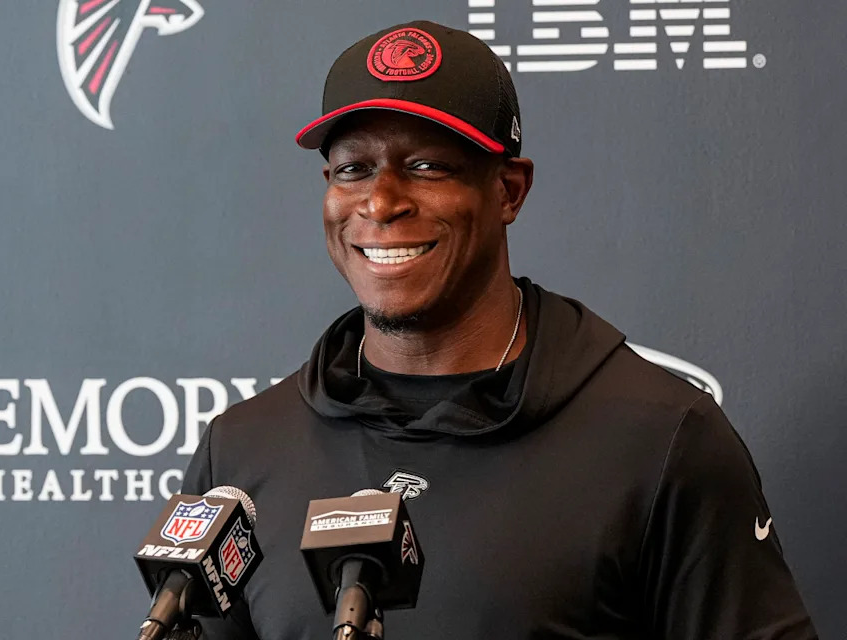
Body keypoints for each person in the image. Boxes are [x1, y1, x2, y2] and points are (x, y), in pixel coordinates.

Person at [182, 19, 817, 639]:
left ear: (509, 190)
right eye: (355, 169)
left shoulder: (661, 439)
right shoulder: (241, 451)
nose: (382, 202)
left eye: (428, 166)